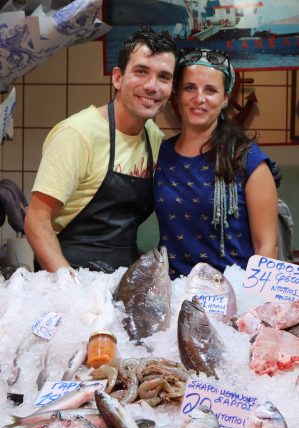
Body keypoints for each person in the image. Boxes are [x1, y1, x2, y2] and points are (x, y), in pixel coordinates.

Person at [24, 28, 177, 273]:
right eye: (141, 72)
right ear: (117, 78)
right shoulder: (77, 134)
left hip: (121, 277)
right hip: (70, 274)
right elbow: (36, 220)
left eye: (164, 77)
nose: (152, 86)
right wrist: (70, 286)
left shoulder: (154, 138)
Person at [153, 48, 278, 280]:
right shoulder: (160, 155)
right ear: (177, 94)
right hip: (176, 295)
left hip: (234, 298)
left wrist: (256, 307)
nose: (199, 98)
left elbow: (266, 247)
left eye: (210, 90)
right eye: (190, 88)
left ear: (225, 98)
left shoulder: (247, 159)